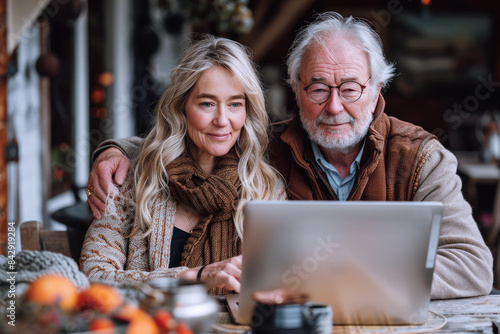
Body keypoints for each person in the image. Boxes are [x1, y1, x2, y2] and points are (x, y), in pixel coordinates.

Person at [85, 12, 494, 299]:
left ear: (376, 91)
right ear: (296, 92)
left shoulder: (422, 158)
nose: (334, 106)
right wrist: (116, 151)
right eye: (318, 88)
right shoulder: (267, 148)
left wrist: (354, 275)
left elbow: (472, 266)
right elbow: (199, 142)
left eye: (350, 88)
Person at [80, 35, 286, 295]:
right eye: (207, 104)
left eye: (235, 104)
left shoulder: (266, 189)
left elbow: (279, 283)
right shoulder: (133, 178)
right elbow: (94, 277)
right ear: (181, 107)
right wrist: (195, 276)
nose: (222, 120)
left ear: (247, 111)